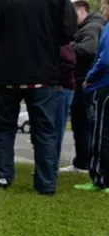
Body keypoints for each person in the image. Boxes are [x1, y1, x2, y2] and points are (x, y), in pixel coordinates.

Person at [0, 0, 77, 195]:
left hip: (8, 71)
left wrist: (6, 36)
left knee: (4, 128)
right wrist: (48, 36)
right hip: (43, 71)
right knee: (45, 130)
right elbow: (69, 29)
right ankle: (46, 183)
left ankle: (3, 176)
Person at [61, 0, 106, 174]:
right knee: (84, 123)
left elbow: (89, 50)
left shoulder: (92, 28)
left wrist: (68, 46)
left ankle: (83, 162)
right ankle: (83, 161)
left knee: (83, 124)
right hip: (87, 81)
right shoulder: (92, 27)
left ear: (81, 10)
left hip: (86, 82)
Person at [75, 3, 109, 193]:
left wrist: (90, 78)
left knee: (100, 133)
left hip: (104, 85)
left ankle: (100, 179)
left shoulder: (107, 28)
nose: (103, 10)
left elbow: (104, 60)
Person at [55, 44, 77, 172]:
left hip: (62, 87)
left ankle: (51, 165)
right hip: (61, 86)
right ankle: (50, 165)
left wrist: (57, 79)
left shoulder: (61, 42)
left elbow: (69, 60)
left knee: (55, 129)